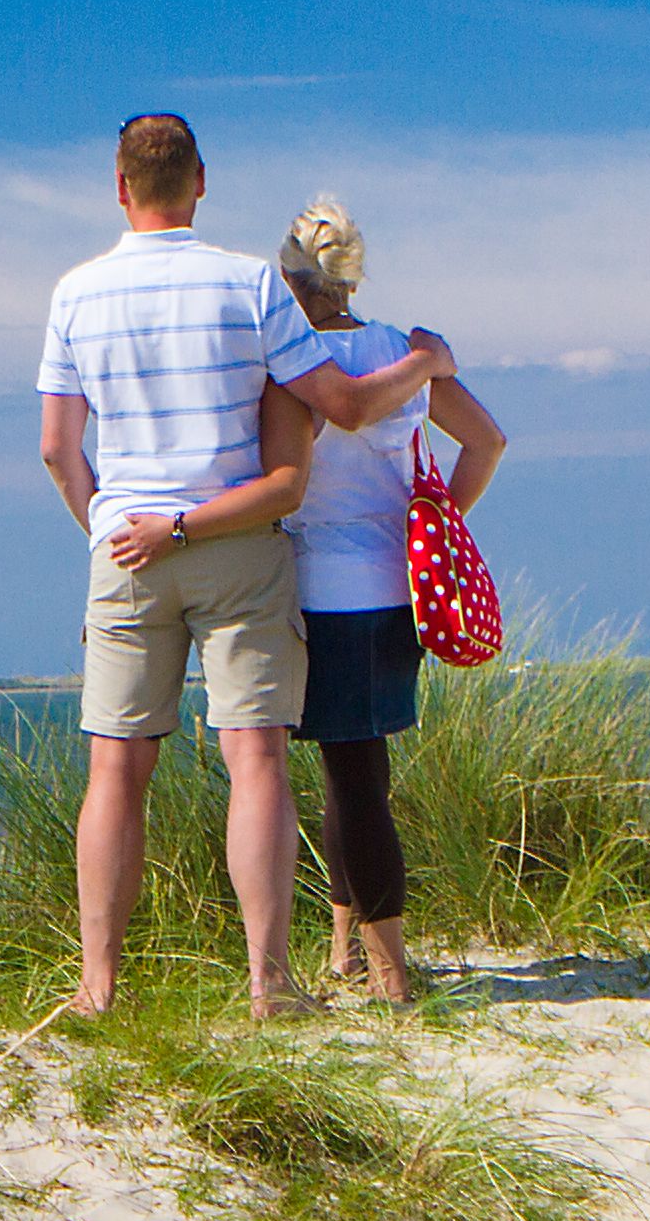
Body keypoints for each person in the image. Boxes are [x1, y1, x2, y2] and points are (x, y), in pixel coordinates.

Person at [35, 113, 447, 1021]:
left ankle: (98, 986)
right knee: (255, 761)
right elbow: (337, 403)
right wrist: (424, 361)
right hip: (238, 539)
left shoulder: (76, 293)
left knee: (115, 770)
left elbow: (60, 450)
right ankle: (268, 983)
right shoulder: (249, 284)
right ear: (201, 182)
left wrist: (105, 531)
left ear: (118, 187)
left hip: (129, 547)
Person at [276, 196, 506, 1004]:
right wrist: (430, 527)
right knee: (360, 768)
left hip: (318, 589)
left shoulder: (293, 360)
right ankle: (345, 948)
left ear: (289, 278)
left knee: (352, 783)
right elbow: (486, 441)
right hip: (398, 587)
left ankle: (389, 973)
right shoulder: (402, 351)